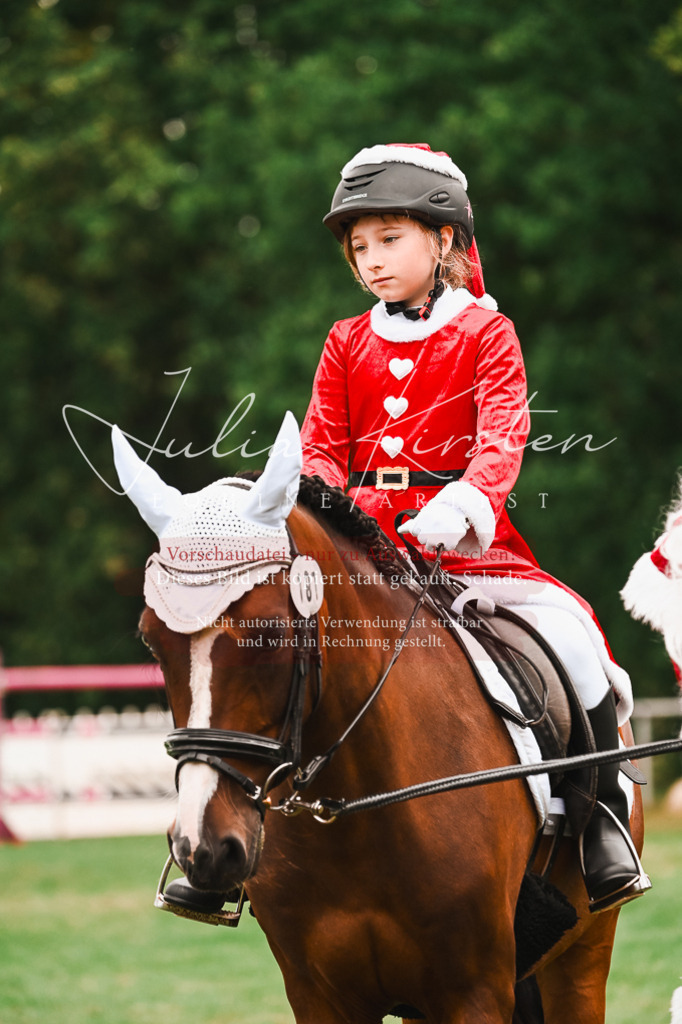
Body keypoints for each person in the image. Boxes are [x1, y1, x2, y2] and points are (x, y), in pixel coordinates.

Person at [299, 142, 650, 913]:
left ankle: (599, 823)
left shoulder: (487, 333)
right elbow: (323, 445)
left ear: (446, 239)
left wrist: (465, 503)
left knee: (574, 639)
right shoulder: (345, 340)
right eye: (359, 247)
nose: (371, 261)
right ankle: (242, 838)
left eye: (389, 240)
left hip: (465, 543)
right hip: (359, 543)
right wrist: (318, 510)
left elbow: (502, 438)